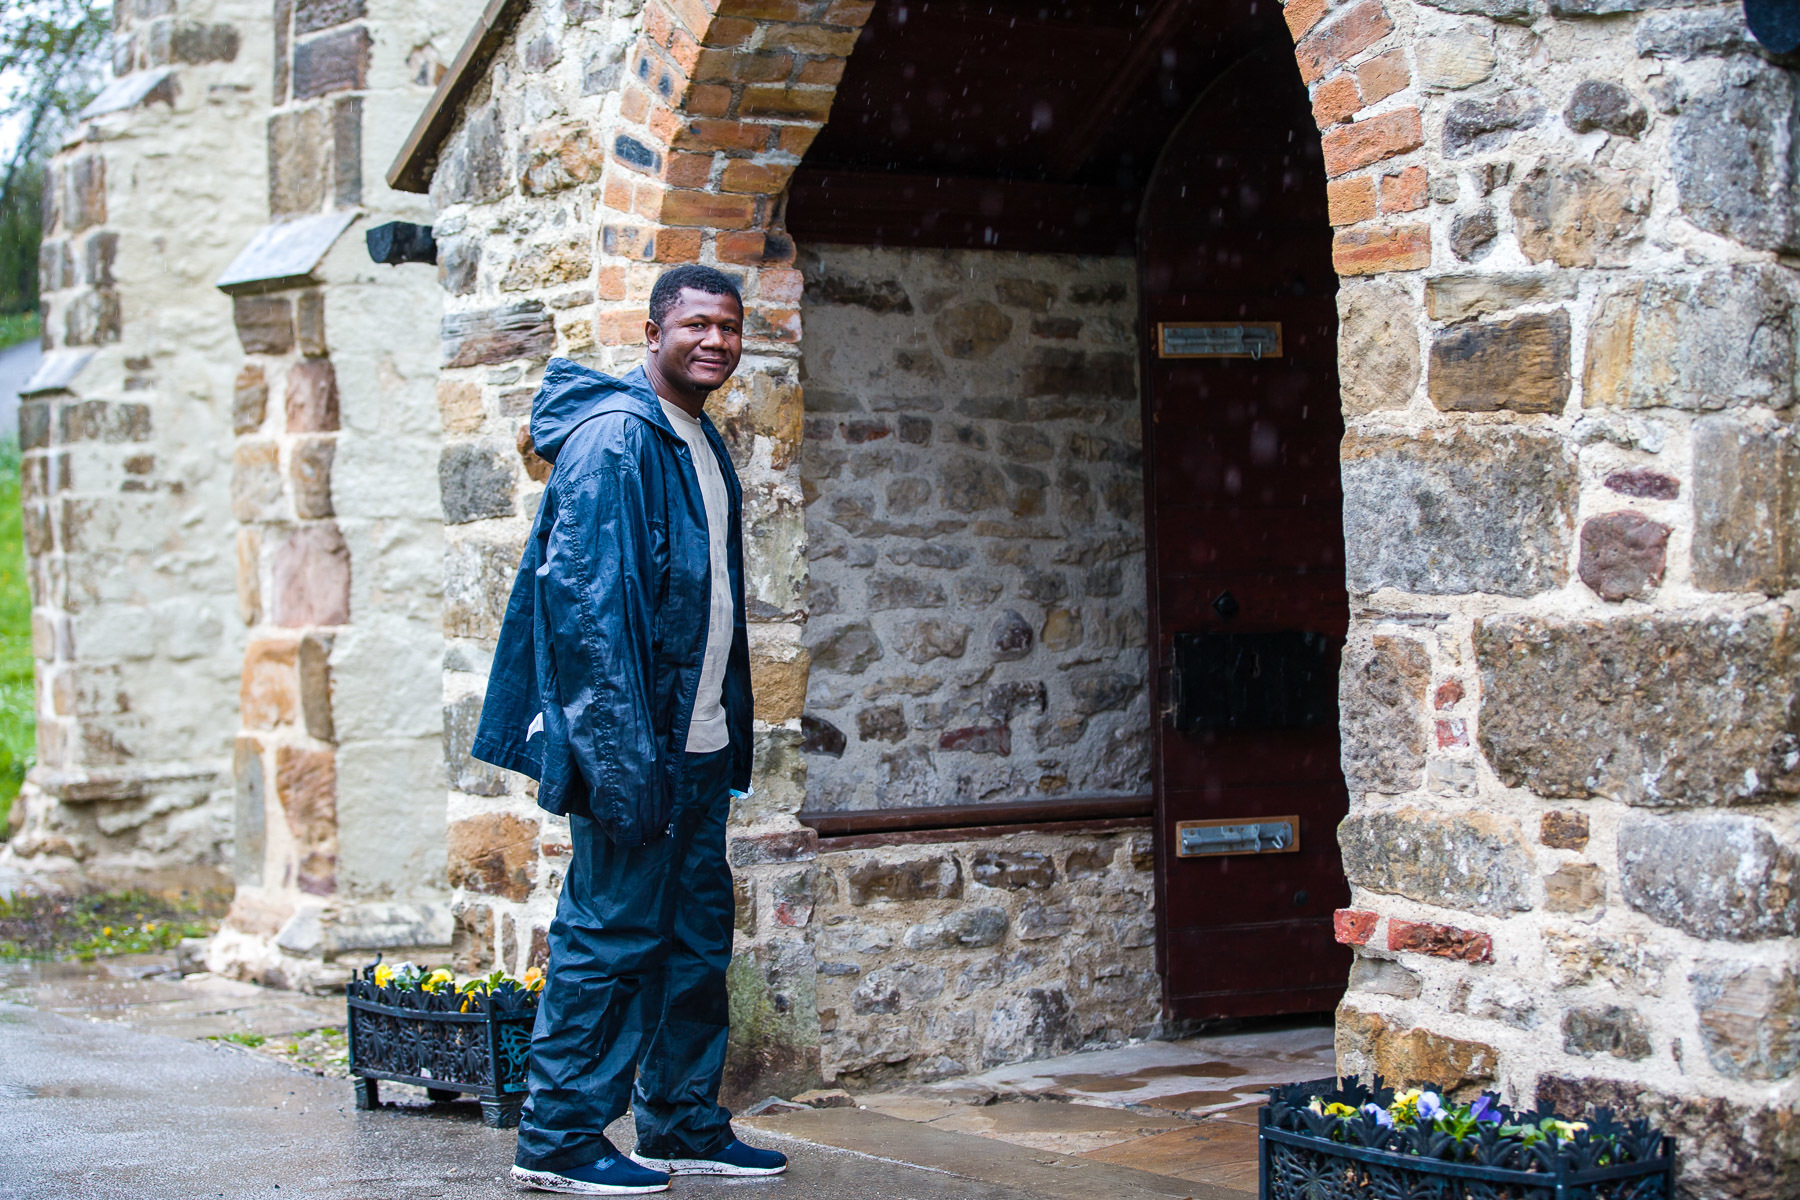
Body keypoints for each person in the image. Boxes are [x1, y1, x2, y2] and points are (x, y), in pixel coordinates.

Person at [472, 264, 788, 1195]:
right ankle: (558, 1138)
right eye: (696, 325)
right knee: (608, 937)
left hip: (694, 748)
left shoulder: (694, 435)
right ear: (653, 331)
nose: (715, 343)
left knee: (693, 941)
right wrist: (619, 765)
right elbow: (587, 619)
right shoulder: (617, 439)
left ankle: (681, 1121)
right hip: (634, 752)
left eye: (729, 328)